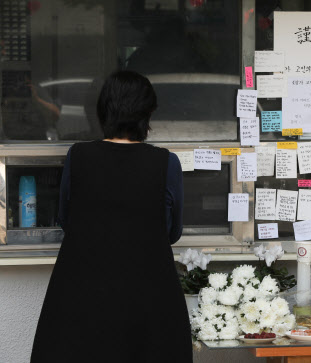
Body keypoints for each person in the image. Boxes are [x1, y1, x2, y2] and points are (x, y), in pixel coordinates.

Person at [30, 71, 192, 363]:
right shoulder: (165, 162)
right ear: (148, 112)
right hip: (150, 294)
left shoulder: (78, 156)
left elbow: (66, 218)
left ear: (103, 109)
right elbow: (172, 231)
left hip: (81, 293)